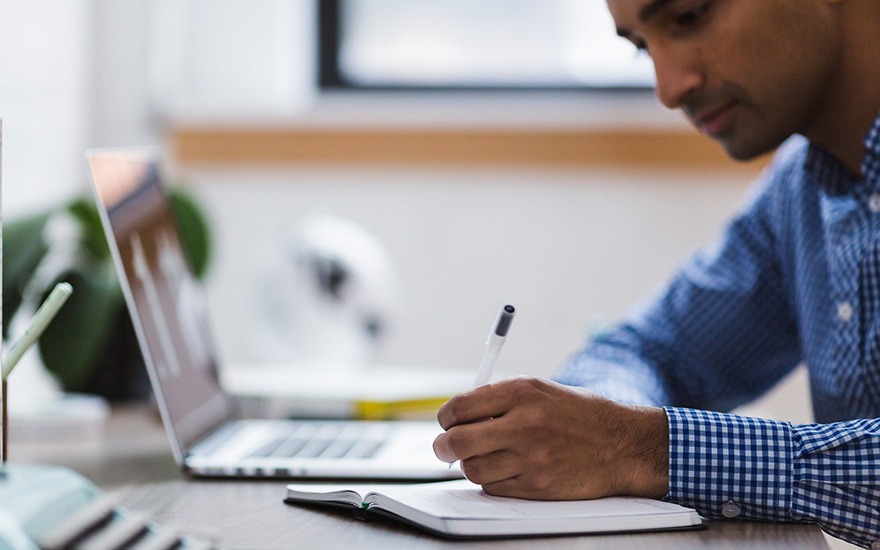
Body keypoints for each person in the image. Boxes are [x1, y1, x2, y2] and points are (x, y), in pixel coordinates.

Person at [432, 1, 880, 547]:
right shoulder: (801, 188)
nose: (668, 90)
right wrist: (590, 427)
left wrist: (641, 447)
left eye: (689, 17)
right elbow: (650, 350)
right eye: (642, 47)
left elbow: (635, 437)